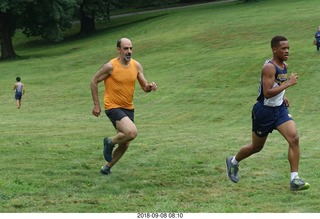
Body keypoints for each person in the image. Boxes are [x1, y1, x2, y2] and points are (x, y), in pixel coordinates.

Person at [226, 36, 310, 191]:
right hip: (264, 112)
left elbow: (276, 85)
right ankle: (233, 162)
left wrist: (283, 96)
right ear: (274, 49)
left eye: (288, 48)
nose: (287, 51)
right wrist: (288, 84)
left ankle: (294, 179)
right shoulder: (269, 67)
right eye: (283, 48)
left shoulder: (284, 65)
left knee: (294, 139)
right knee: (256, 147)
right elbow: (267, 93)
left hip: (279, 110)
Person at [90, 37, 157, 175]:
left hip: (128, 108)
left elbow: (144, 86)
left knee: (125, 142)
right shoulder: (110, 66)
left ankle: (106, 168)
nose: (129, 51)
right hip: (113, 106)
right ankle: (109, 142)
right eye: (126, 48)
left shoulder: (136, 66)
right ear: (119, 49)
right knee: (131, 133)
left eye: (131, 48)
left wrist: (150, 86)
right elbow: (94, 81)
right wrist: (96, 105)